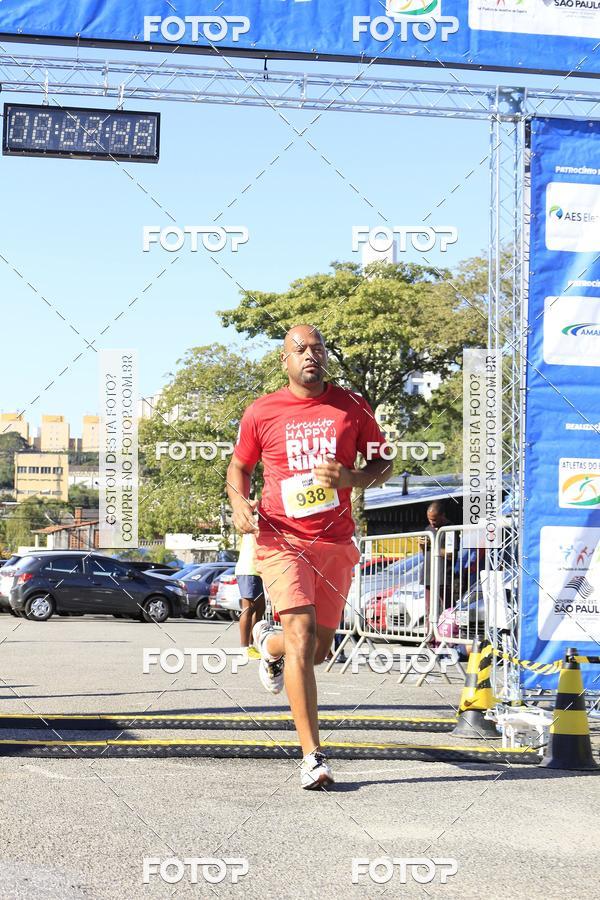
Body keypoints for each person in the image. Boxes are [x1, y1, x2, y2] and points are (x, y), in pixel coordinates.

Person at [226, 324, 390, 790]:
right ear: (285, 360)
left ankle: (268, 645)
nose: (310, 355)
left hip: (334, 540)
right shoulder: (262, 411)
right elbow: (239, 466)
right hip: (281, 539)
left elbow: (383, 463)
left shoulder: (353, 407)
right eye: (300, 349)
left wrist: (352, 478)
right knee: (301, 635)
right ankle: (312, 756)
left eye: (317, 348)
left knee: (317, 650)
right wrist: (238, 502)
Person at [419, 501, 454, 629]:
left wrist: (432, 545)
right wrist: (422, 546)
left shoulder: (450, 529)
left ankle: (446, 636)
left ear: (442, 515)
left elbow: (450, 554)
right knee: (429, 609)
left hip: (443, 576)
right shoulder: (427, 529)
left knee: (446, 610)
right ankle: (430, 636)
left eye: (434, 519)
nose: (432, 522)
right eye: (429, 519)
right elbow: (425, 553)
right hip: (428, 575)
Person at [235, 531, 265, 659]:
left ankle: (251, 646)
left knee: (260, 608)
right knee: (248, 608)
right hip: (248, 569)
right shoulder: (253, 525)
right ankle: (244, 649)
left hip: (257, 571)